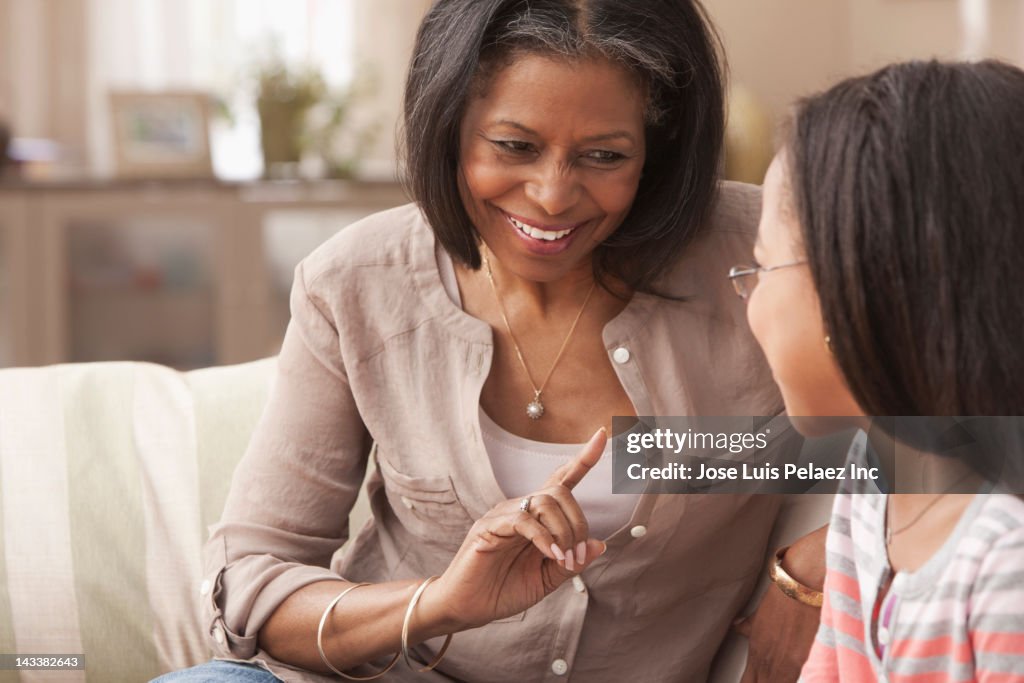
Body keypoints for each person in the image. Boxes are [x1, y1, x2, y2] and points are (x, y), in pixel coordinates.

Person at [157, 1, 815, 681]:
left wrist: (814, 566)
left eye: (604, 156)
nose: (553, 195)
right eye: (514, 146)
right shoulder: (355, 283)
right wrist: (437, 604)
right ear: (450, 127)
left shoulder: (766, 251)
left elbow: (925, 432)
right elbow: (251, 581)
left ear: (657, 146)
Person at [737, 60, 1024, 681]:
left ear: (865, 289)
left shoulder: (1007, 562)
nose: (748, 298)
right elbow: (831, 666)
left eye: (762, 268)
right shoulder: (876, 479)